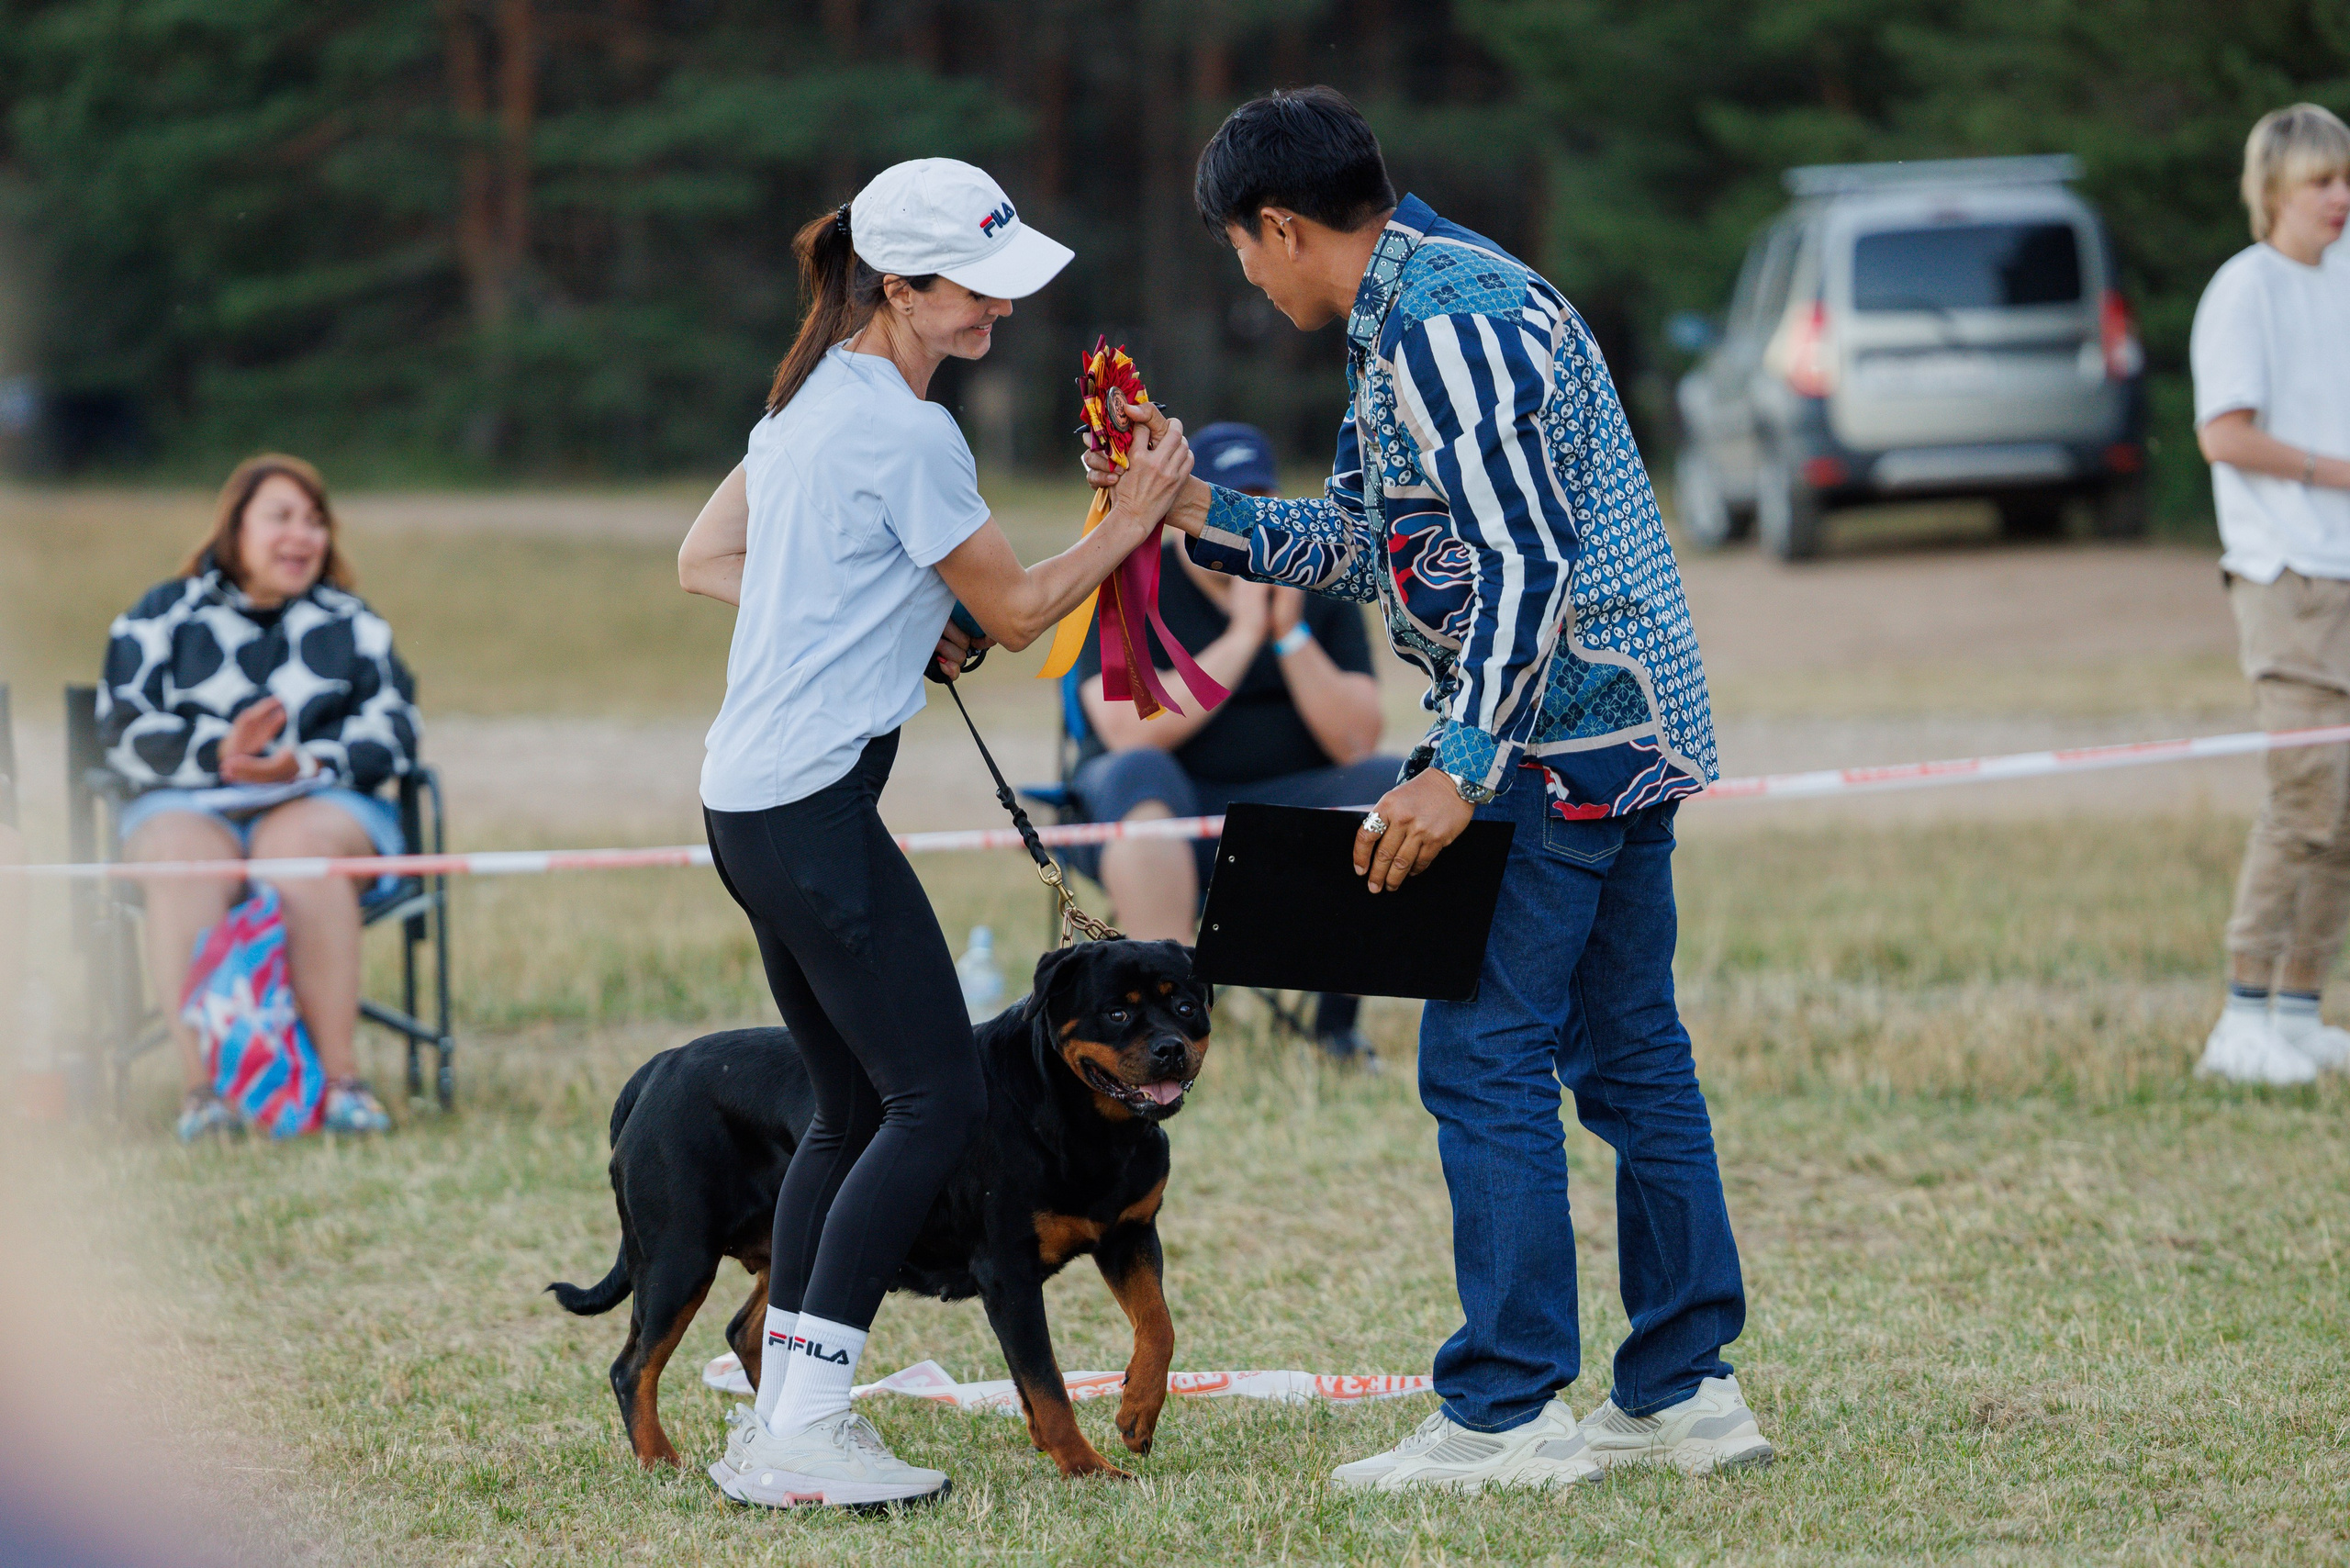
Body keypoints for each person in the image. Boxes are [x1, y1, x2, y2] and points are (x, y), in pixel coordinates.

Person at [1087, 88, 1769, 1492]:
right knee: (1630, 1051)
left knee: (1484, 1056)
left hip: (1546, 744)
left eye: (1240, 250)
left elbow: (1524, 566)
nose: (1247, 277)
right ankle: (1683, 1392)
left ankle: (1509, 1411)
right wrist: (1193, 511)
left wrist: (1461, 767)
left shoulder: (1445, 328)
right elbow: (1372, 543)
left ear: (1282, 225)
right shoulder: (1426, 301)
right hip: (1608, 730)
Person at [676, 157, 1195, 1510]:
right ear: (898, 287)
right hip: (808, 810)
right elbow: (1024, 613)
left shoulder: (805, 403)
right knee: (936, 1098)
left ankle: (783, 1415)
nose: (1000, 314)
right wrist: (1131, 517)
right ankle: (802, 1430)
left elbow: (709, 561)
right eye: (976, 292)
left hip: (748, 799)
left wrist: (902, 624)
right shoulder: (905, 432)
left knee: (853, 1107)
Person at [98, 454, 417, 1139]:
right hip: (188, 805)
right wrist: (221, 754)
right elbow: (119, 730)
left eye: (315, 521)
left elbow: (396, 730)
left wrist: (304, 760)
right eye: (280, 518)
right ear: (234, 527)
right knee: (185, 857)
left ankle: (340, 1086)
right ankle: (203, 1094)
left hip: (321, 803)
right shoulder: (162, 614)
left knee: (296, 846)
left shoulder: (352, 622)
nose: (301, 536)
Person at [1067, 420, 1399, 1065]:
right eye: (1226, 505)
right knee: (1136, 769)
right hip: (1167, 806)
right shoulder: (1129, 586)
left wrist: (1286, 635)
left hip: (1283, 811)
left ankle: (1335, 1026)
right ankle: (1166, 1023)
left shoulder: (1318, 587)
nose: (1243, 526)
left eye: (1258, 504)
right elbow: (1129, 728)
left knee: (1392, 785)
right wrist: (1243, 636)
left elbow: (1358, 739)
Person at [2190, 103, 2350, 1087]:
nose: (2340, 197)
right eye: (2321, 181)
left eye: (2344, 178)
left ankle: (2298, 1005)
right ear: (2274, 191)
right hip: (2282, 576)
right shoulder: (2241, 292)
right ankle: (2238, 1017)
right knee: (2303, 797)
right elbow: (2222, 434)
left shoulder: (2341, 281)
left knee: (2348, 806)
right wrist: (2337, 472)